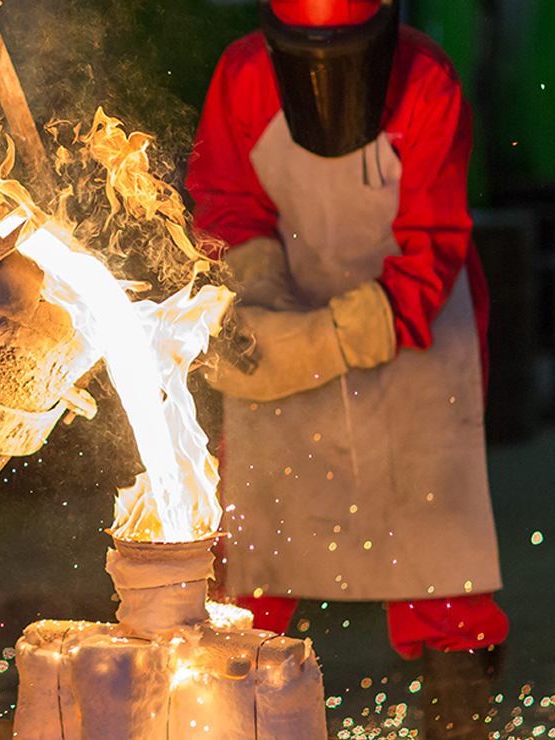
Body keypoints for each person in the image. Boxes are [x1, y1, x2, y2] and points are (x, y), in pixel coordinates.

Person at [185, 1, 509, 738]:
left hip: (415, 317)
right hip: (290, 299)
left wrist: (338, 336)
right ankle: (218, 698)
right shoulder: (242, 76)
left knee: (434, 522)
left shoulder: (427, 80)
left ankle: (459, 696)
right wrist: (263, 300)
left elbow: (432, 237)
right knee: (252, 529)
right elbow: (228, 201)